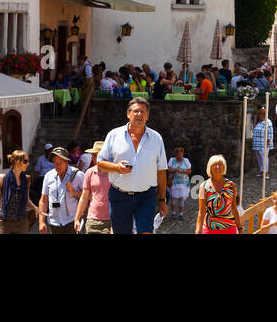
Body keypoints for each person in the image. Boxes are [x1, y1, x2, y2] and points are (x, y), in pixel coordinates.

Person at [96, 97, 168, 234]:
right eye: (136, 111)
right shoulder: (114, 135)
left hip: (146, 196)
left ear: (148, 116)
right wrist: (116, 167)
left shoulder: (156, 138)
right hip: (120, 195)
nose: (139, 115)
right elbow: (100, 163)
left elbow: (161, 171)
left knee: (146, 231)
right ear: (128, 113)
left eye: (143, 112)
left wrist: (162, 200)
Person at [0, 150, 35, 233]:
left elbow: (27, 200)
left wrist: (36, 209)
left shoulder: (26, 179)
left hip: (21, 222)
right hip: (4, 222)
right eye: (25, 161)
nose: (28, 164)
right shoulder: (2, 177)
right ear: (16, 162)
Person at [39, 146, 83, 233]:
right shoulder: (48, 176)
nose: (57, 166)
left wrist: (74, 192)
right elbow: (43, 200)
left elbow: (87, 197)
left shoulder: (78, 175)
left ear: (66, 162)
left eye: (60, 162)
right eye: (55, 163)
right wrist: (41, 221)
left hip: (71, 221)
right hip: (54, 222)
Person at [196, 155, 239, 234]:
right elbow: (201, 212)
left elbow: (234, 209)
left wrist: (240, 228)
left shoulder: (231, 185)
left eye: (220, 164)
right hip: (210, 229)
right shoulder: (204, 186)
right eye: (214, 164)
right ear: (210, 168)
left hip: (229, 229)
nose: (218, 167)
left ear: (224, 167)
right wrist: (198, 231)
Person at [75, 141, 111, 234]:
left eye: (96, 155)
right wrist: (77, 218)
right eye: (93, 155)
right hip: (92, 219)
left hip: (111, 220)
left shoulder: (114, 173)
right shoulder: (89, 172)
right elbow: (84, 197)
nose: (93, 158)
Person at [166, 147, 192, 219]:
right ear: (176, 154)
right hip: (174, 182)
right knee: (173, 198)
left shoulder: (186, 161)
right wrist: (175, 170)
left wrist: (182, 172)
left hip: (183, 183)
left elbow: (189, 171)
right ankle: (173, 213)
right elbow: (168, 169)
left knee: (182, 198)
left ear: (183, 154)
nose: (180, 155)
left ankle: (181, 214)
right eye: (178, 154)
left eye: (181, 153)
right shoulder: (172, 160)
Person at [252, 105, 274, 179]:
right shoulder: (259, 122)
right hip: (257, 144)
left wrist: (267, 144)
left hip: (263, 144)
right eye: (258, 114)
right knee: (259, 158)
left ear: (264, 115)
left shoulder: (268, 122)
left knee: (264, 158)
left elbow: (270, 134)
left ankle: (266, 172)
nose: (258, 116)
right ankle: (261, 171)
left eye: (260, 114)